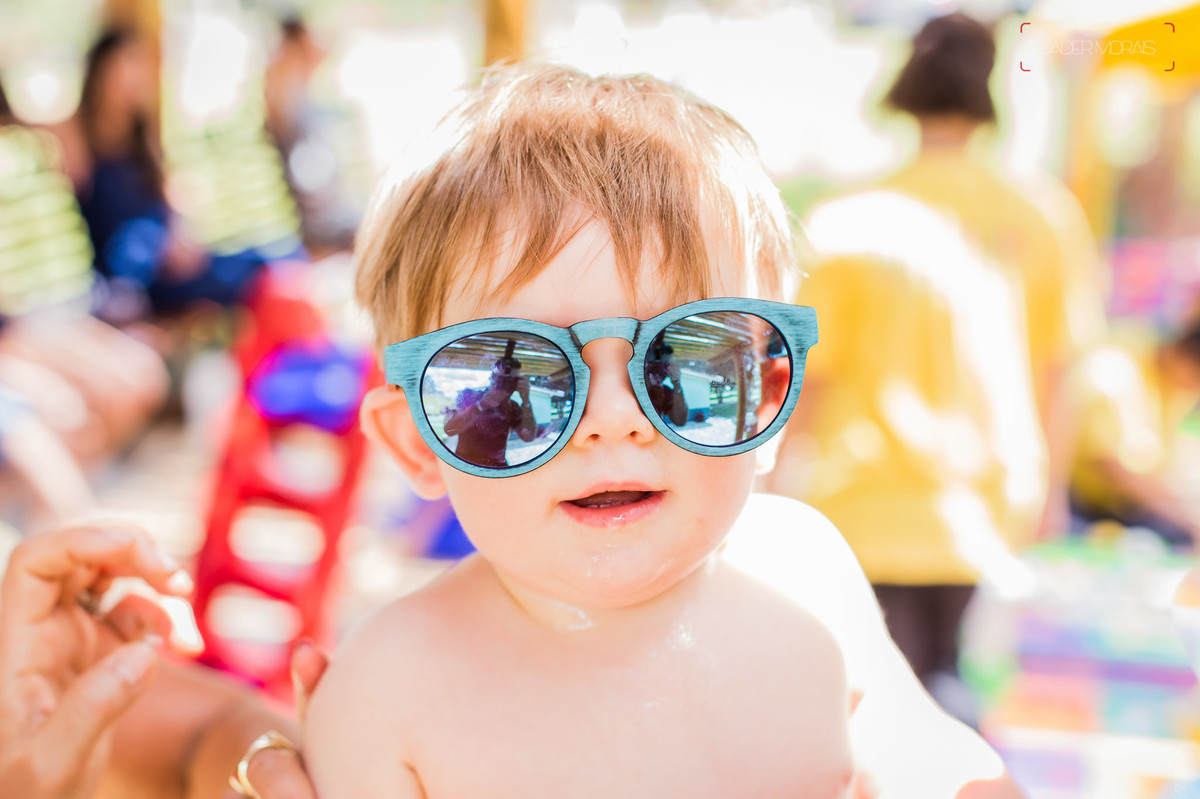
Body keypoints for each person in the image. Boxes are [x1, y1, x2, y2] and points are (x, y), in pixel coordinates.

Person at [293, 64, 1022, 797]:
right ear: (419, 439)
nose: (615, 418)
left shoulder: (808, 580)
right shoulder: (391, 696)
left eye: (690, 361)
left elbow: (928, 756)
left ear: (769, 396)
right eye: (515, 383)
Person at [769, 12, 1103, 721]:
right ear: (988, 88)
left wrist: (770, 484)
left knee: (870, 702)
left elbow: (811, 375)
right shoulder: (1041, 214)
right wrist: (1050, 491)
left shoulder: (847, 216)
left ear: (905, 84)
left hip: (861, 499)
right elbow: (1059, 368)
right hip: (985, 500)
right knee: (949, 688)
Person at [64, 27, 273, 320]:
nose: (133, 78)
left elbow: (174, 200)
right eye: (124, 66)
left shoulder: (143, 142)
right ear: (100, 74)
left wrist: (181, 236)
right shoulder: (81, 142)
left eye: (138, 66)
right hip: (132, 273)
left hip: (171, 258)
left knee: (263, 259)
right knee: (247, 279)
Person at [1069, 316, 1200, 547]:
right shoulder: (1119, 368)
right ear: (1180, 355)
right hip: (1084, 503)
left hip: (1131, 503)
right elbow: (1112, 464)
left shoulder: (1176, 385)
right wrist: (1186, 517)